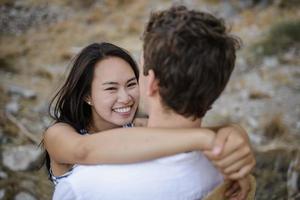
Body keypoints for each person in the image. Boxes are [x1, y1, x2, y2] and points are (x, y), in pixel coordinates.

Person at [49, 6, 255, 200]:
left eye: (132, 82)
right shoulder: (226, 167)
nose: (126, 97)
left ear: (152, 84)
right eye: (111, 88)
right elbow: (82, 150)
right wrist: (216, 136)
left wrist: (226, 133)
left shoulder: (84, 188)